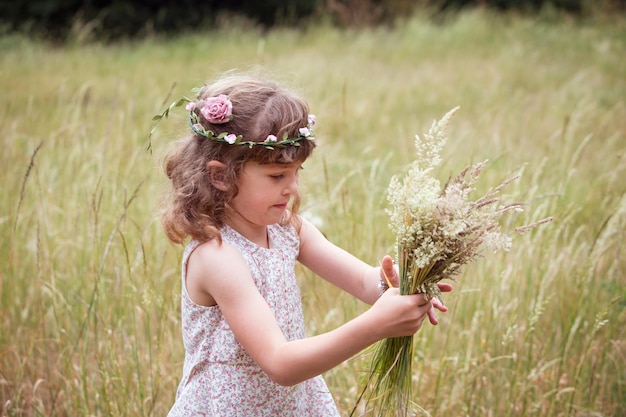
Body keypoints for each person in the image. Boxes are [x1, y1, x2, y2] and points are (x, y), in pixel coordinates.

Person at [158, 73, 452, 417]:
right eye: (277, 176)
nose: (293, 188)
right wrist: (376, 325)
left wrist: (396, 287)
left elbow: (362, 281)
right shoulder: (216, 256)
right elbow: (280, 363)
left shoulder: (287, 229)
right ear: (220, 176)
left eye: (297, 171)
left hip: (291, 405)